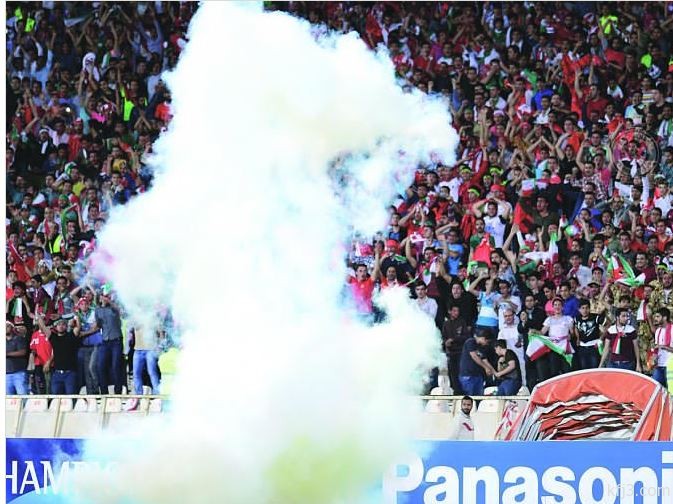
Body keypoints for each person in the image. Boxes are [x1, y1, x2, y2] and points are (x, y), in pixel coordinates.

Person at [36, 313, 82, 395]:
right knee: (55, 397)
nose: (61, 326)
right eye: (59, 325)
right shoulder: (53, 337)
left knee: (70, 396)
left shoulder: (71, 335)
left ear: (66, 326)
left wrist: (76, 317)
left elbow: (78, 328)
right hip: (57, 373)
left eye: (63, 324)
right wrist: (39, 317)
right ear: (56, 327)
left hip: (70, 373)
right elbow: (43, 327)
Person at [94, 290, 125, 394]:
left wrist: (110, 302)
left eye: (106, 296)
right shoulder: (97, 310)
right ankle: (104, 392)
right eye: (103, 296)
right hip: (105, 341)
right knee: (100, 366)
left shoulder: (113, 307)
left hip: (116, 340)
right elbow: (99, 324)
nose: (104, 298)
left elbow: (120, 311)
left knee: (116, 366)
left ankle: (118, 392)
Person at [539, 298, 574, 380]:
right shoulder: (549, 320)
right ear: (553, 307)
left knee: (567, 369)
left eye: (559, 305)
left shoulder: (568, 319)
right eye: (555, 305)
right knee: (554, 370)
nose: (557, 307)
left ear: (562, 307)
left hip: (565, 347)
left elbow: (572, 333)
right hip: (553, 348)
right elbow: (542, 332)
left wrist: (571, 336)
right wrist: (534, 332)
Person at [442, 305, 470, 395]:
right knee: (452, 373)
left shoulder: (462, 322)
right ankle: (454, 391)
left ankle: (461, 392)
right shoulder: (446, 324)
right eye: (454, 311)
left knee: (460, 372)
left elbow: (466, 336)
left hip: (460, 351)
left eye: (457, 311)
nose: (456, 313)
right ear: (449, 311)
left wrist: (453, 339)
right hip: (450, 352)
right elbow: (443, 337)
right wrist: (446, 342)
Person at [458, 331, 496, 396]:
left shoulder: (481, 347)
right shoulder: (470, 342)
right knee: (470, 396)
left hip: (478, 375)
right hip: (468, 375)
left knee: (479, 396)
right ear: (483, 338)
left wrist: (493, 371)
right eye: (487, 342)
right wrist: (485, 367)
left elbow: (485, 360)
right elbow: (474, 356)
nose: (487, 344)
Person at [573, 299, 604, 370]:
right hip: (582, 347)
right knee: (584, 369)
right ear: (579, 309)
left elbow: (608, 324)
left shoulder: (596, 317)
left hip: (594, 347)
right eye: (582, 308)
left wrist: (601, 338)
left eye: (587, 308)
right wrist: (577, 338)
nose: (585, 310)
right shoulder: (576, 318)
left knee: (594, 368)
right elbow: (576, 327)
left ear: (590, 308)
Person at [651, 308, 673, 388]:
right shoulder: (658, 331)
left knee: (670, 390)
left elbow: (661, 346)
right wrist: (654, 358)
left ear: (665, 318)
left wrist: (663, 346)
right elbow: (656, 349)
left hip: (670, 366)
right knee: (655, 389)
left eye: (658, 316)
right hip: (659, 365)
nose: (655, 319)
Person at [6, 321, 29, 395]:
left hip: (19, 373)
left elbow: (23, 352)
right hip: (6, 374)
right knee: (8, 398)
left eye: (7, 326)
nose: (5, 328)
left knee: (22, 396)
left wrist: (7, 354)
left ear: (12, 328)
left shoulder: (19, 339)